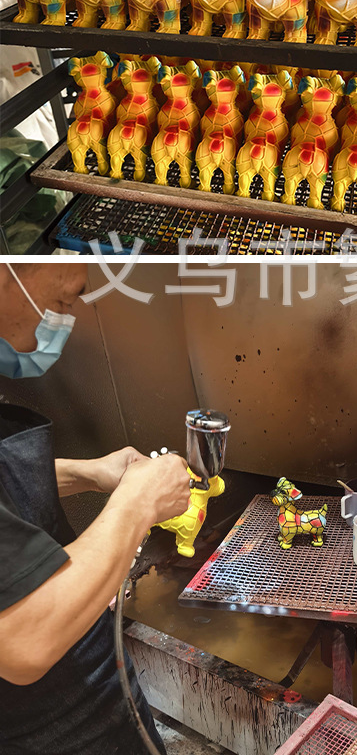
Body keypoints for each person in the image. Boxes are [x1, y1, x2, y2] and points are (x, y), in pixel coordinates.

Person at [0, 264, 193, 755]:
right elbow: (23, 641)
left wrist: (88, 473)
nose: (64, 317)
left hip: (89, 686)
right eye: (63, 301)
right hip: (40, 727)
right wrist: (138, 503)